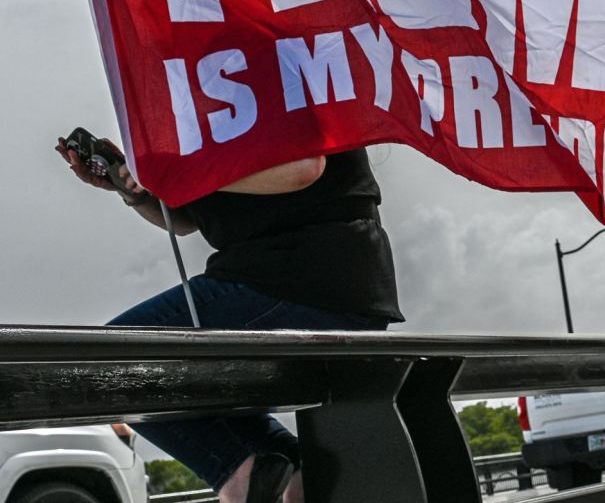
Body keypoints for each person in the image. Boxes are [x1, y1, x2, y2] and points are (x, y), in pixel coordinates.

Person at [57, 137, 403, 503]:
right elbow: (187, 220)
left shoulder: (267, 82)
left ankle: (239, 475)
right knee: (149, 376)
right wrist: (136, 191)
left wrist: (172, 171)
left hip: (295, 276)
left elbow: (303, 169)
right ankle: (297, 473)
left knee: (107, 361)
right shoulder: (206, 118)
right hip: (320, 283)